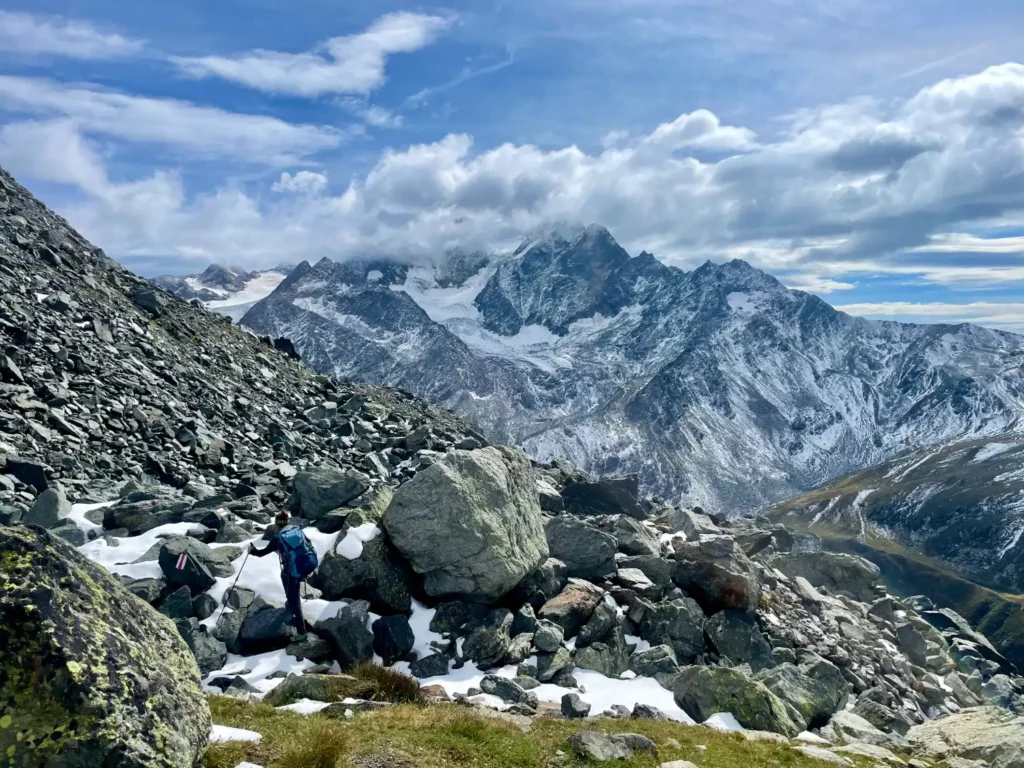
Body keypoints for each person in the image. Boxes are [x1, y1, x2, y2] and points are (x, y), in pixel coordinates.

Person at [250, 510, 307, 635]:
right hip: (301, 567)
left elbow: (261, 553)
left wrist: (252, 550)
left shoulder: (278, 538)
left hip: (289, 571)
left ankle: (302, 633)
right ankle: (291, 604)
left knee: (295, 602)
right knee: (292, 592)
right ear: (288, 522)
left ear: (277, 524)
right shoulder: (297, 531)